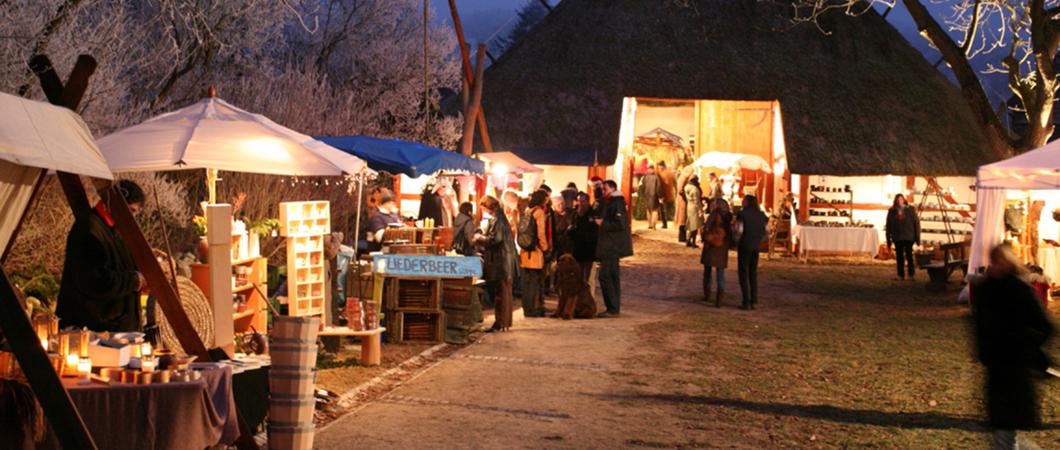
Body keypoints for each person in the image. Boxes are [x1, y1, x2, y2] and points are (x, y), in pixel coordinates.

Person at [973, 244, 1054, 449]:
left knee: (1006, 425)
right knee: (1003, 426)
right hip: (997, 365)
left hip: (1016, 366)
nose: (995, 266)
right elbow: (981, 325)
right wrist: (984, 351)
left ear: (1008, 263)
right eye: (993, 261)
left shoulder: (1020, 290)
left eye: (999, 261)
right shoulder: (986, 289)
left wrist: (1026, 345)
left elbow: (1045, 327)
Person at [57, 179, 147, 332]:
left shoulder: (115, 230)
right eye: (130, 211)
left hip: (111, 326)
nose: (132, 218)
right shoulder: (89, 230)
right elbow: (94, 280)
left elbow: (122, 268)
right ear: (114, 205)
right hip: (94, 329)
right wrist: (134, 280)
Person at [475, 196, 517, 332]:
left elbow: (495, 239)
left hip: (501, 262)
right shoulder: (501, 217)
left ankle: (500, 323)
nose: (483, 211)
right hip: (506, 260)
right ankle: (504, 322)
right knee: (505, 293)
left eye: (483, 208)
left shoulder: (497, 219)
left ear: (488, 207)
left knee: (501, 293)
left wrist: (479, 237)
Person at [595, 180, 633, 317]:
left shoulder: (617, 202)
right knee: (612, 276)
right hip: (610, 245)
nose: (603, 192)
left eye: (604, 189)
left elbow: (620, 224)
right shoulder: (611, 201)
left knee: (606, 276)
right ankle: (613, 307)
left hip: (612, 246)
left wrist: (603, 223)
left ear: (612, 188)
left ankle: (612, 307)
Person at [519, 190, 551, 317]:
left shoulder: (528, 211)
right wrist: (545, 248)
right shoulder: (539, 212)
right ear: (542, 199)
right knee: (533, 282)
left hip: (525, 251)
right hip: (535, 252)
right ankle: (532, 309)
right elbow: (541, 233)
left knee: (527, 282)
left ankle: (526, 307)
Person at [735, 195, 767, 310]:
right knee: (753, 273)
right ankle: (754, 299)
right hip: (755, 246)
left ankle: (746, 301)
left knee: (743, 272)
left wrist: (735, 241)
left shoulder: (742, 214)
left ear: (747, 202)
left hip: (744, 245)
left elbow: (739, 230)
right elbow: (766, 232)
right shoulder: (761, 215)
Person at [701, 198, 733, 307]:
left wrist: (705, 238)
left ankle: (707, 293)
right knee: (720, 273)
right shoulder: (728, 217)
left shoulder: (714, 215)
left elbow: (706, 228)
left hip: (712, 245)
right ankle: (719, 297)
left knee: (708, 271)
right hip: (722, 246)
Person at [885, 194, 921, 280]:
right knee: (899, 257)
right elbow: (888, 225)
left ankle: (911, 275)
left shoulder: (910, 210)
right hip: (898, 237)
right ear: (895, 201)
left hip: (909, 236)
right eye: (898, 199)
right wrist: (888, 240)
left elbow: (916, 223)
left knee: (909, 256)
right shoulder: (892, 211)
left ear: (904, 200)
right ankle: (901, 275)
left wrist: (917, 238)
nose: (899, 201)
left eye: (901, 199)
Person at [570, 192, 599, 283]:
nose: (581, 203)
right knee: (578, 275)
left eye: (583, 201)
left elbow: (595, 231)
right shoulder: (575, 214)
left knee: (588, 277)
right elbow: (571, 229)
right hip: (577, 249)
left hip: (589, 249)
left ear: (587, 201)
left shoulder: (593, 214)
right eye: (579, 201)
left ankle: (587, 294)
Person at [638, 164, 662, 230]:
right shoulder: (656, 177)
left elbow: (642, 187)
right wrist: (660, 196)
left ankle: (650, 225)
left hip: (646, 195)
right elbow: (658, 187)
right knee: (654, 210)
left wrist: (643, 194)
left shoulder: (645, 177)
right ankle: (654, 225)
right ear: (653, 169)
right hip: (654, 196)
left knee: (648, 210)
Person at [684, 175, 703, 248]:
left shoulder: (686, 186)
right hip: (694, 208)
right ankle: (693, 242)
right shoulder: (694, 189)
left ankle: (688, 240)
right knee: (695, 225)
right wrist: (700, 210)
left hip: (689, 206)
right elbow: (697, 201)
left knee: (690, 225)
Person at [675, 166, 693, 242]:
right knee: (682, 219)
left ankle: (682, 237)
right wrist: (686, 196)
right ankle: (682, 237)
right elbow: (680, 190)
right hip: (683, 201)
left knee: (683, 219)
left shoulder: (682, 177)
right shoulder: (683, 178)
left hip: (682, 200)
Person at [658, 161, 676, 229]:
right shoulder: (671, 173)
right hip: (671, 194)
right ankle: (673, 223)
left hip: (664, 195)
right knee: (671, 210)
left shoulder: (662, 173)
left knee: (664, 210)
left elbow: (662, 185)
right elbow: (675, 183)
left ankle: (665, 224)